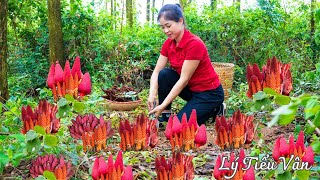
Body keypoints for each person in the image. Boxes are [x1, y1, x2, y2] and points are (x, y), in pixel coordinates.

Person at [148, 4, 224, 125]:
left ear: (180, 21)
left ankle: (216, 108)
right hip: (191, 90)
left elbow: (183, 79)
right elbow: (156, 71)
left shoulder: (194, 44)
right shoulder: (169, 44)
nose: (166, 31)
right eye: (162, 27)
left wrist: (162, 104)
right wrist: (152, 95)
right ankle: (165, 115)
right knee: (164, 74)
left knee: (178, 126)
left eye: (168, 26)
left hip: (209, 94)